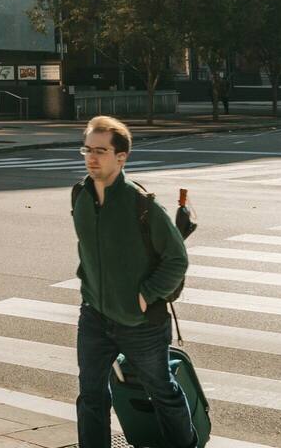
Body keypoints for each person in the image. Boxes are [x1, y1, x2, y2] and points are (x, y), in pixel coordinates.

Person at [71, 116, 195, 448]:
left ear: (121, 157)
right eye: (87, 149)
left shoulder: (143, 206)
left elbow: (177, 259)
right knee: (91, 395)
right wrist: (87, 286)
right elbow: (86, 248)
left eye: (101, 150)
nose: (92, 157)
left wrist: (146, 295)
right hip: (95, 316)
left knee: (162, 392)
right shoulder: (80, 195)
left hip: (141, 323)